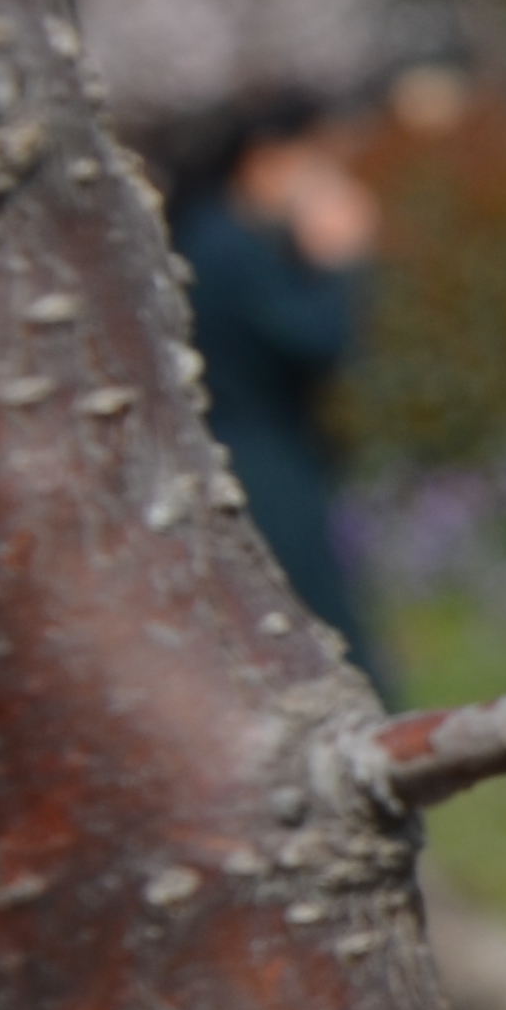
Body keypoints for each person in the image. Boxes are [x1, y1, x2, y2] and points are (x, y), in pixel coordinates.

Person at [168, 83, 392, 693]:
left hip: (268, 451)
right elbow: (320, 341)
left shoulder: (230, 237)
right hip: (261, 462)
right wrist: (343, 260)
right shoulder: (228, 246)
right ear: (272, 156)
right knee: (313, 626)